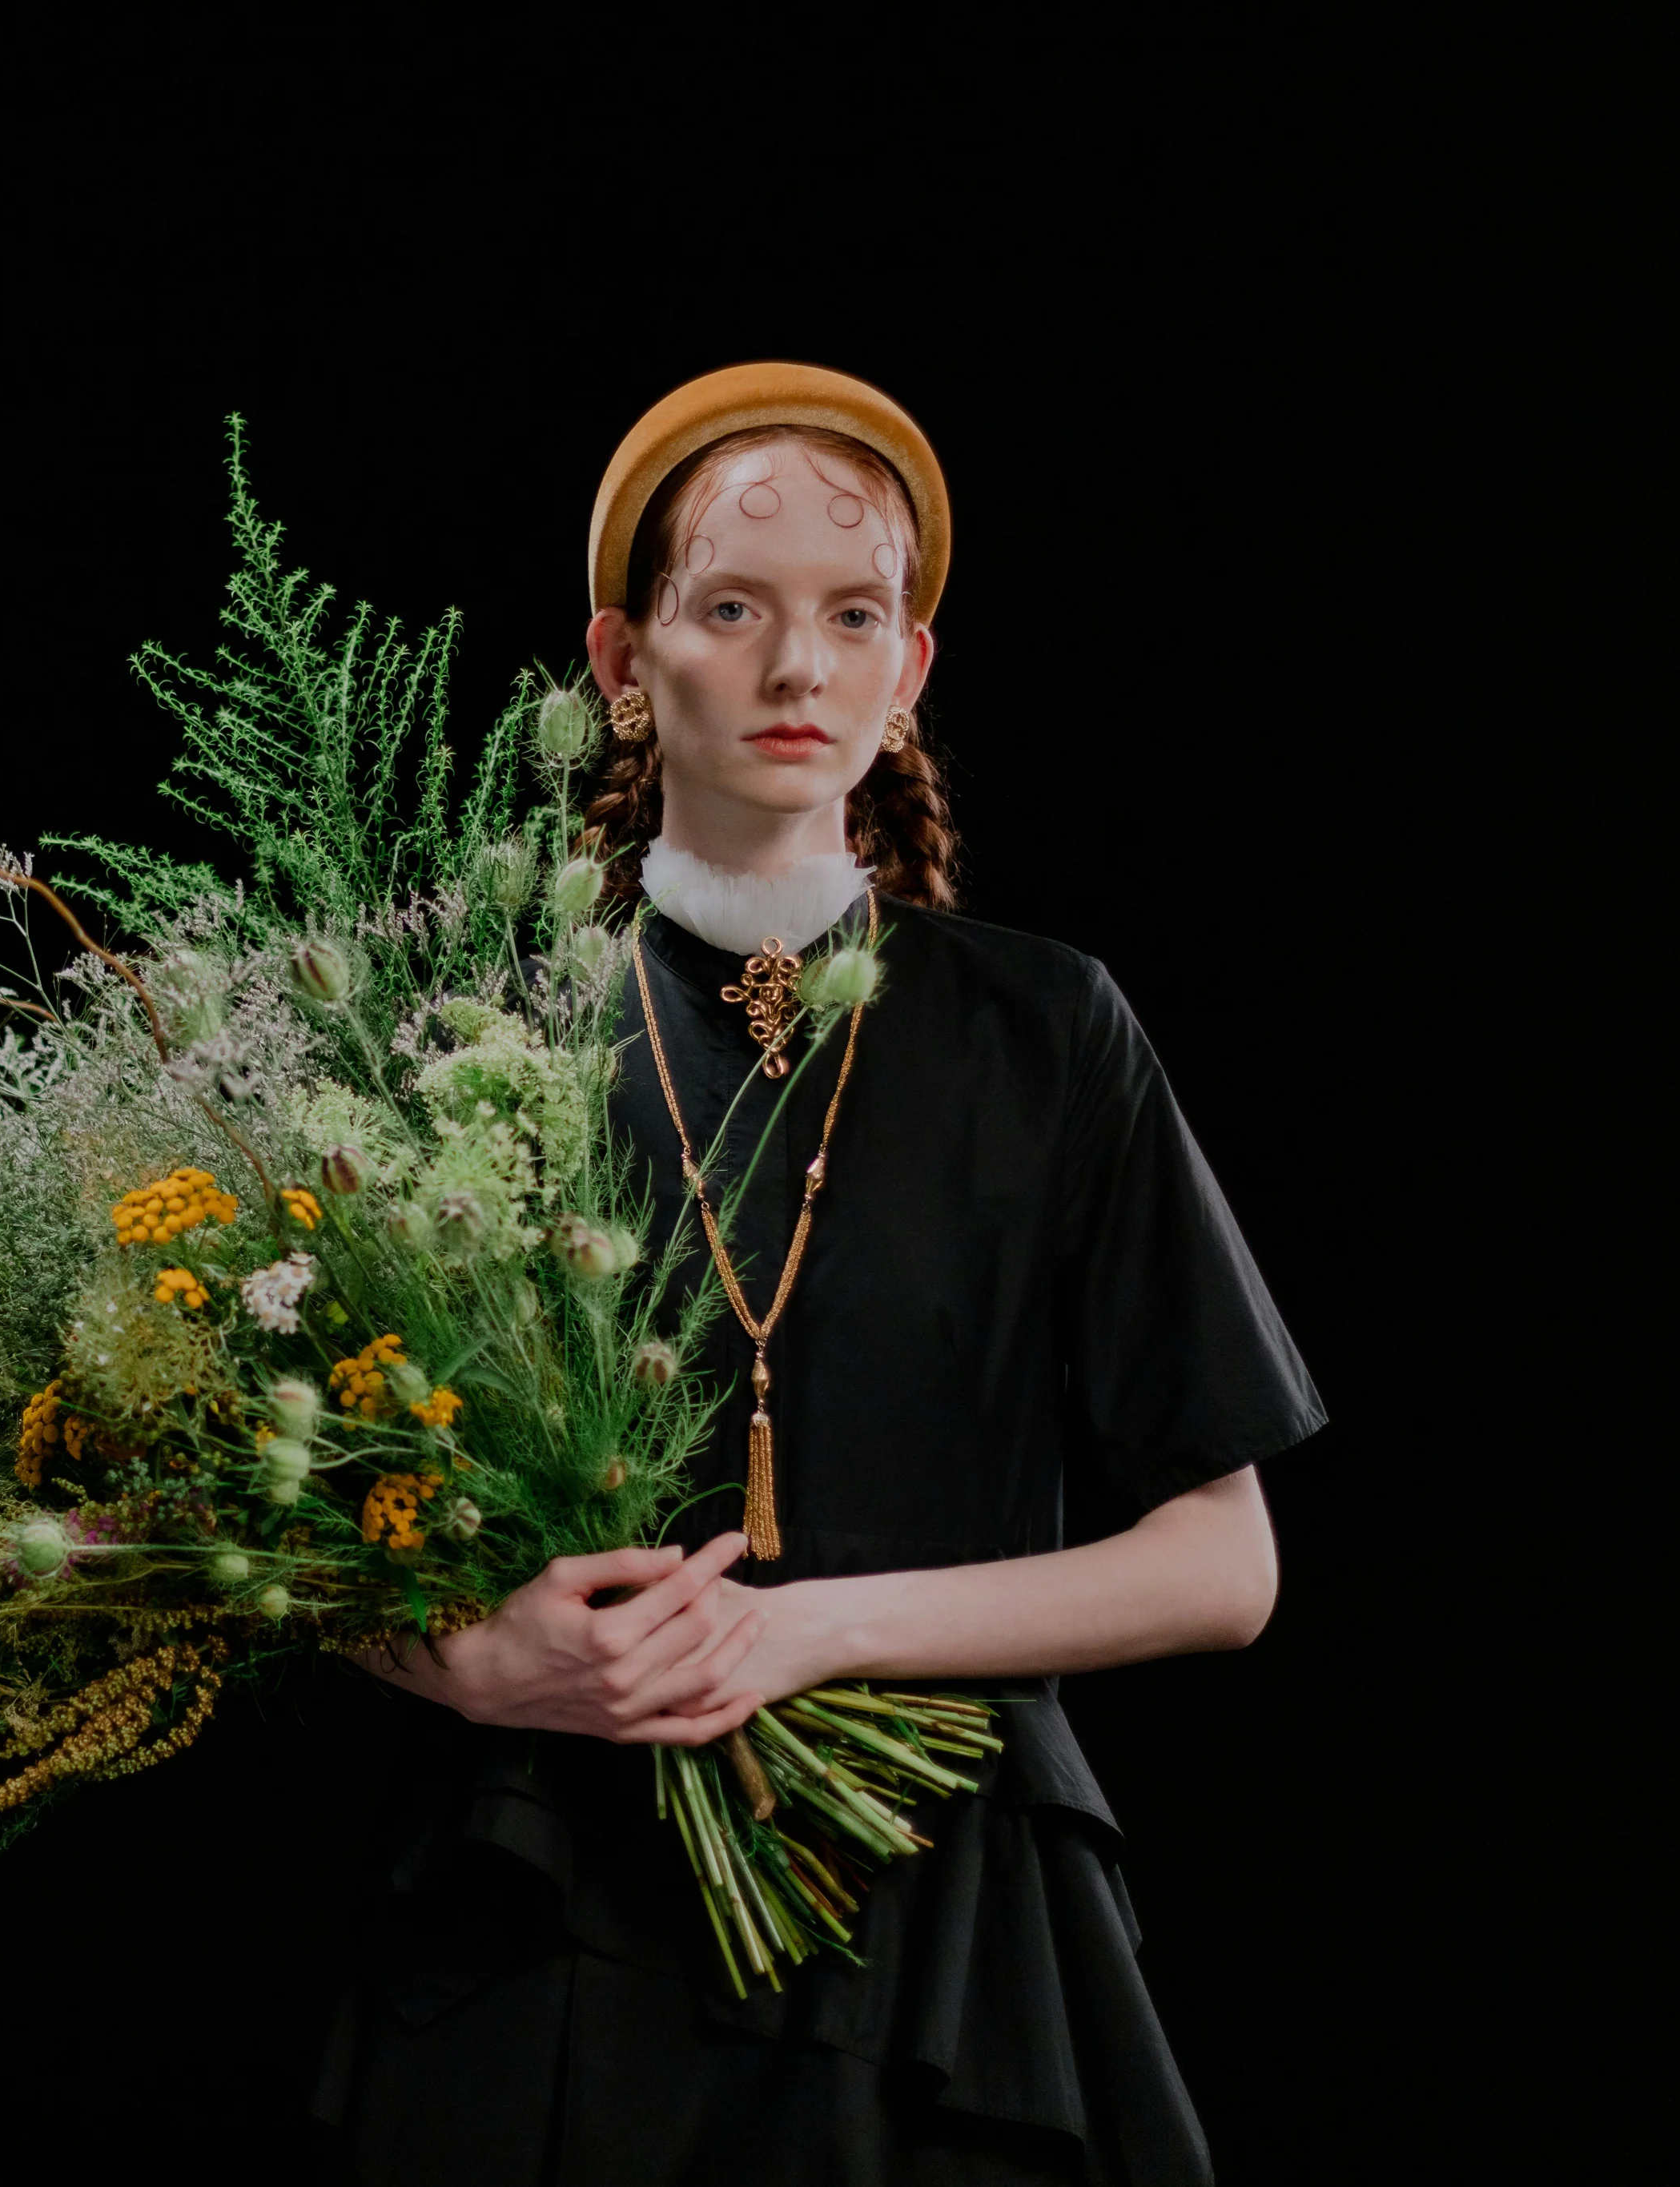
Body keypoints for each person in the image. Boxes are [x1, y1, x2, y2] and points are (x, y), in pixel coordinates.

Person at [318, 364, 1325, 2186]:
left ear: (909, 668)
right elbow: (267, 1520)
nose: (798, 671)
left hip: (943, 1918)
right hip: (541, 1905)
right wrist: (465, 1664)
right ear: (622, 661)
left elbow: (1222, 1563)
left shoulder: (1046, 1030)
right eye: (731, 610)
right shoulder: (473, 1020)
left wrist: (802, 1633)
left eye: (851, 616)